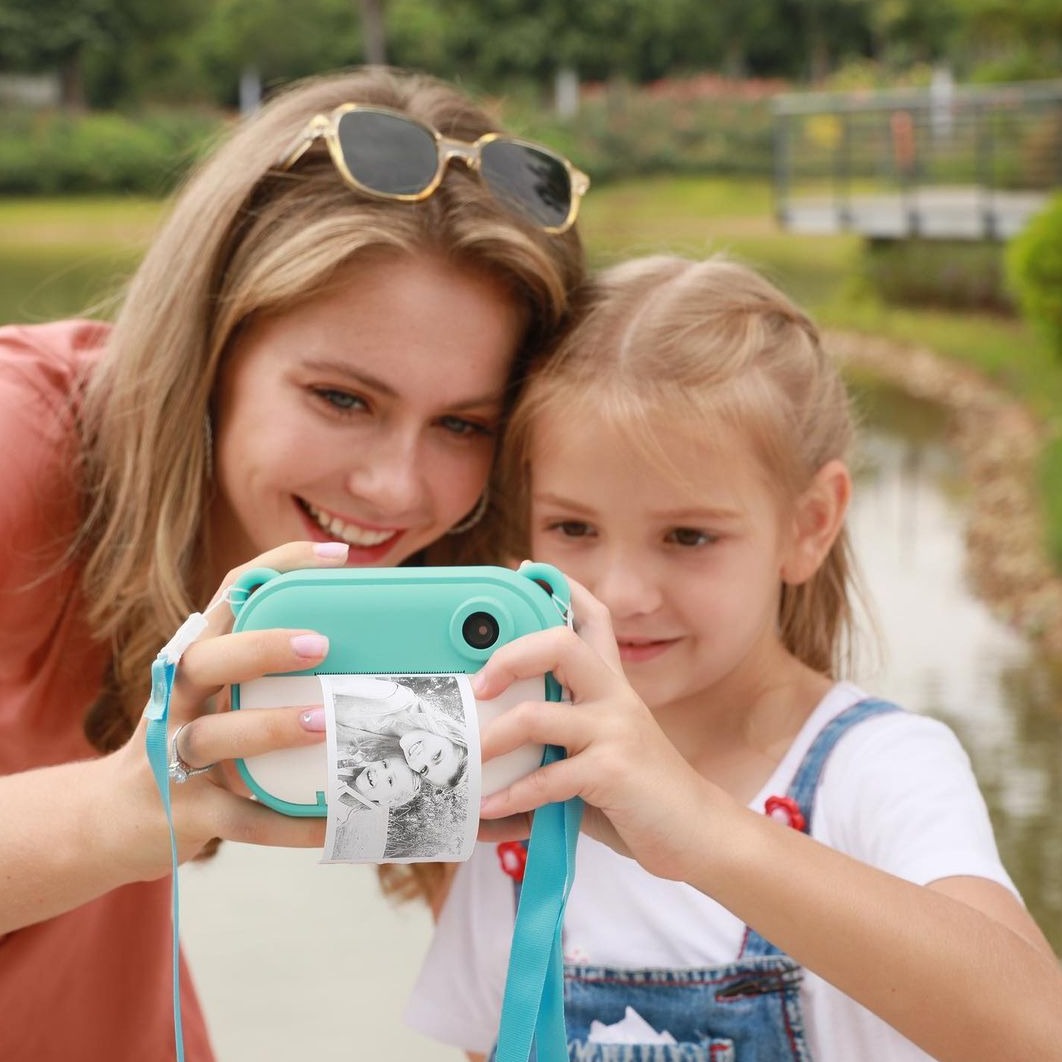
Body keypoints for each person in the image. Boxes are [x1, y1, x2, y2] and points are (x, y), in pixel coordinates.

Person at [0, 65, 587, 1060]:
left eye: (462, 424)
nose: (400, 490)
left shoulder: (436, 574)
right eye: (343, 399)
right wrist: (124, 809)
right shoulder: (20, 444)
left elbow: (498, 933)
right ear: (210, 349)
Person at [405, 255, 1062, 1061]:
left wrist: (699, 828)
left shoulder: (877, 769)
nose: (622, 590)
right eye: (574, 528)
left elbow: (1039, 1029)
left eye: (689, 536)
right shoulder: (524, 786)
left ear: (810, 524)